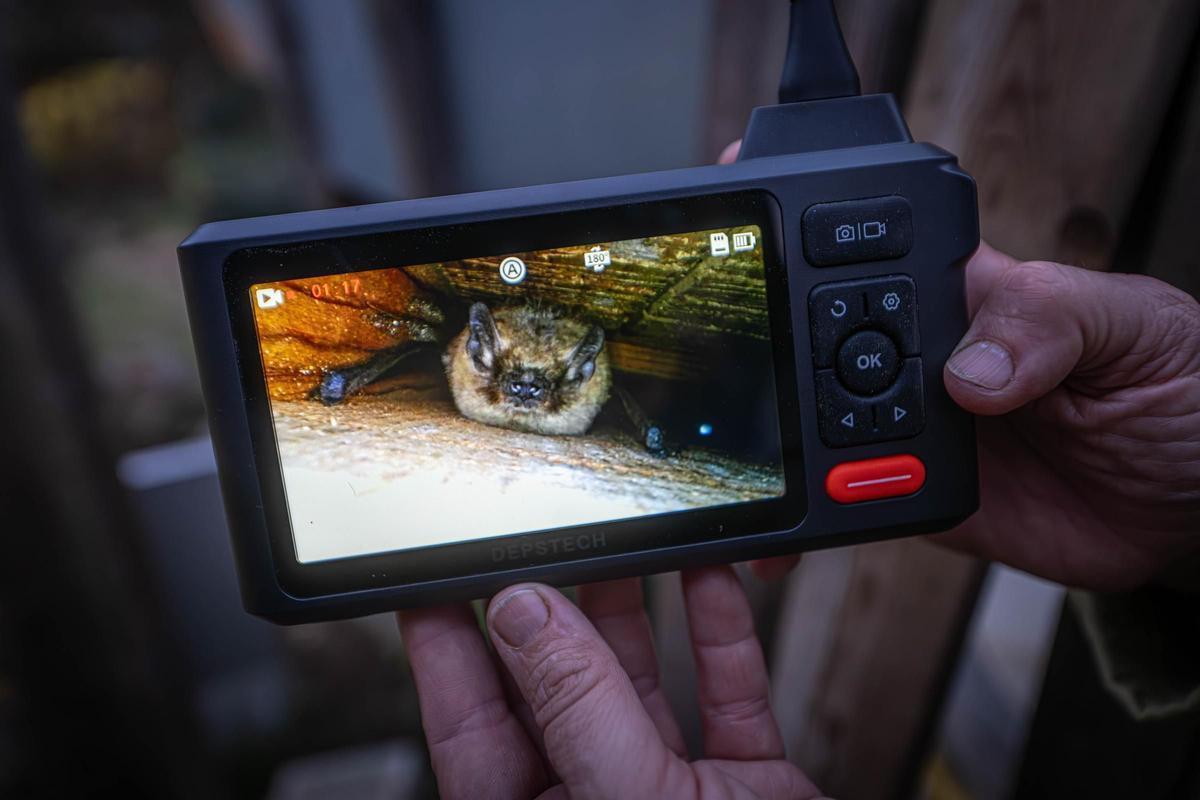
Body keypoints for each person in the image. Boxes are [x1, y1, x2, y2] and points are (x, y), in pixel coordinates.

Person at [398, 144, 1200, 799]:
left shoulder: (584, 381)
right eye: (511, 382)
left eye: (548, 382)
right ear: (477, 362)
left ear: (580, 374)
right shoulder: (477, 365)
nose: (527, 394)